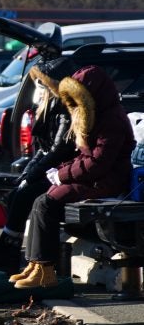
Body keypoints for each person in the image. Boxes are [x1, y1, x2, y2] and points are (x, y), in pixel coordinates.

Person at [11, 65, 135, 289]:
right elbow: (84, 157)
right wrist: (61, 173)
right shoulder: (100, 116)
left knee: (46, 204)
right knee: (41, 200)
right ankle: (35, 264)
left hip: (107, 182)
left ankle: (45, 269)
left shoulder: (111, 120)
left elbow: (98, 163)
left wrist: (61, 174)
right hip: (96, 178)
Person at [0, 57, 78, 274]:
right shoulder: (51, 106)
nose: (39, 90)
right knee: (16, 192)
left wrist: (32, 174)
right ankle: (7, 247)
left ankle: (9, 251)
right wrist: (28, 171)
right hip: (54, 167)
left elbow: (59, 151)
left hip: (64, 170)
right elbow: (43, 150)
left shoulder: (66, 108)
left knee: (28, 193)